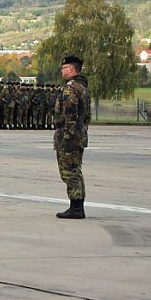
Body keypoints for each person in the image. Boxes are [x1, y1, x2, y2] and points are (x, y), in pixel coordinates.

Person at [53, 55, 91, 219]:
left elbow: (70, 115)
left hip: (69, 135)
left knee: (69, 172)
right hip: (79, 133)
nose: (62, 71)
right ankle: (77, 205)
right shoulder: (82, 87)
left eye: (63, 68)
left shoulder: (70, 88)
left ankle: (76, 208)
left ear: (70, 69)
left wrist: (67, 137)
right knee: (75, 170)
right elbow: (87, 115)